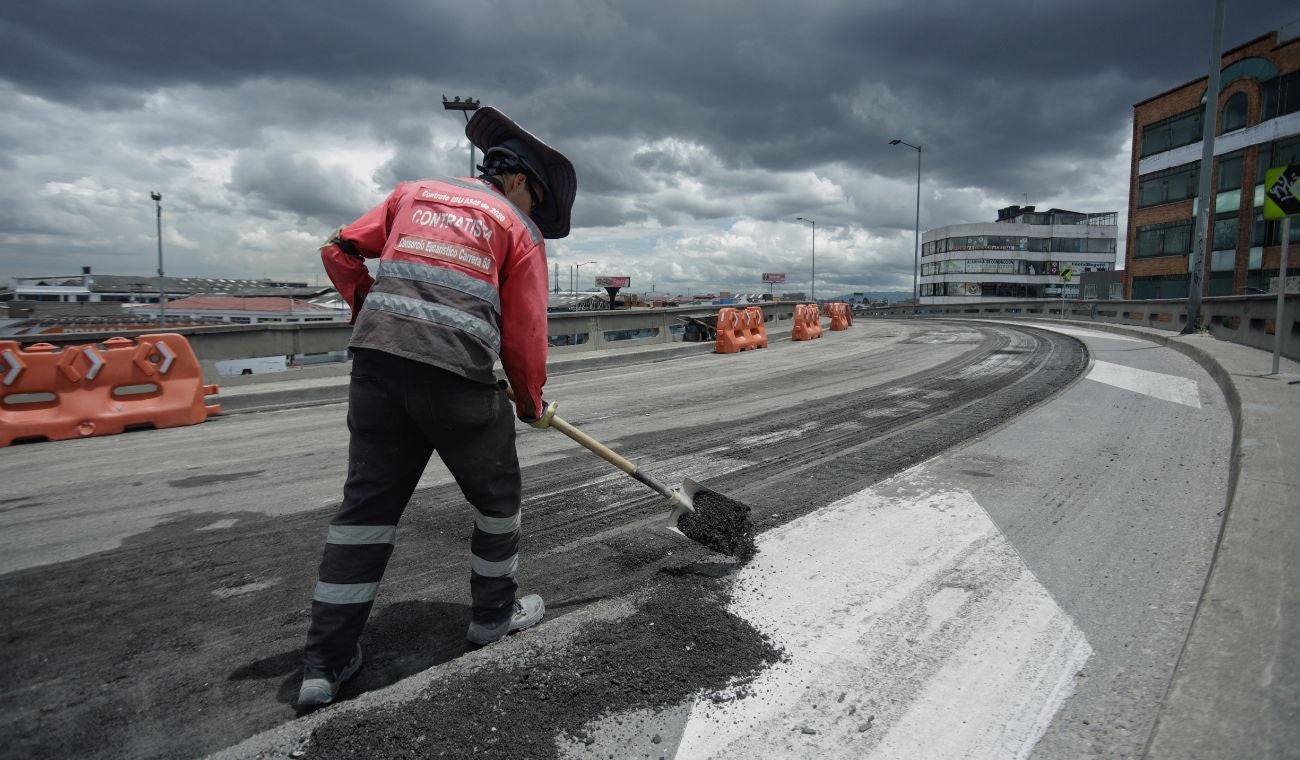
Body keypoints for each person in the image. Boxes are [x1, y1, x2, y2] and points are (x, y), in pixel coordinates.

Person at [297, 106, 576, 707]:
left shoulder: (411, 194)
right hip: (456, 382)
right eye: (534, 202)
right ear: (521, 182)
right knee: (497, 502)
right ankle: (491, 619)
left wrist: (375, 307)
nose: (532, 216)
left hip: (376, 368)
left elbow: (337, 249)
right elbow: (525, 334)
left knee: (365, 512)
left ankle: (325, 662)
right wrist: (530, 403)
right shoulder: (516, 228)